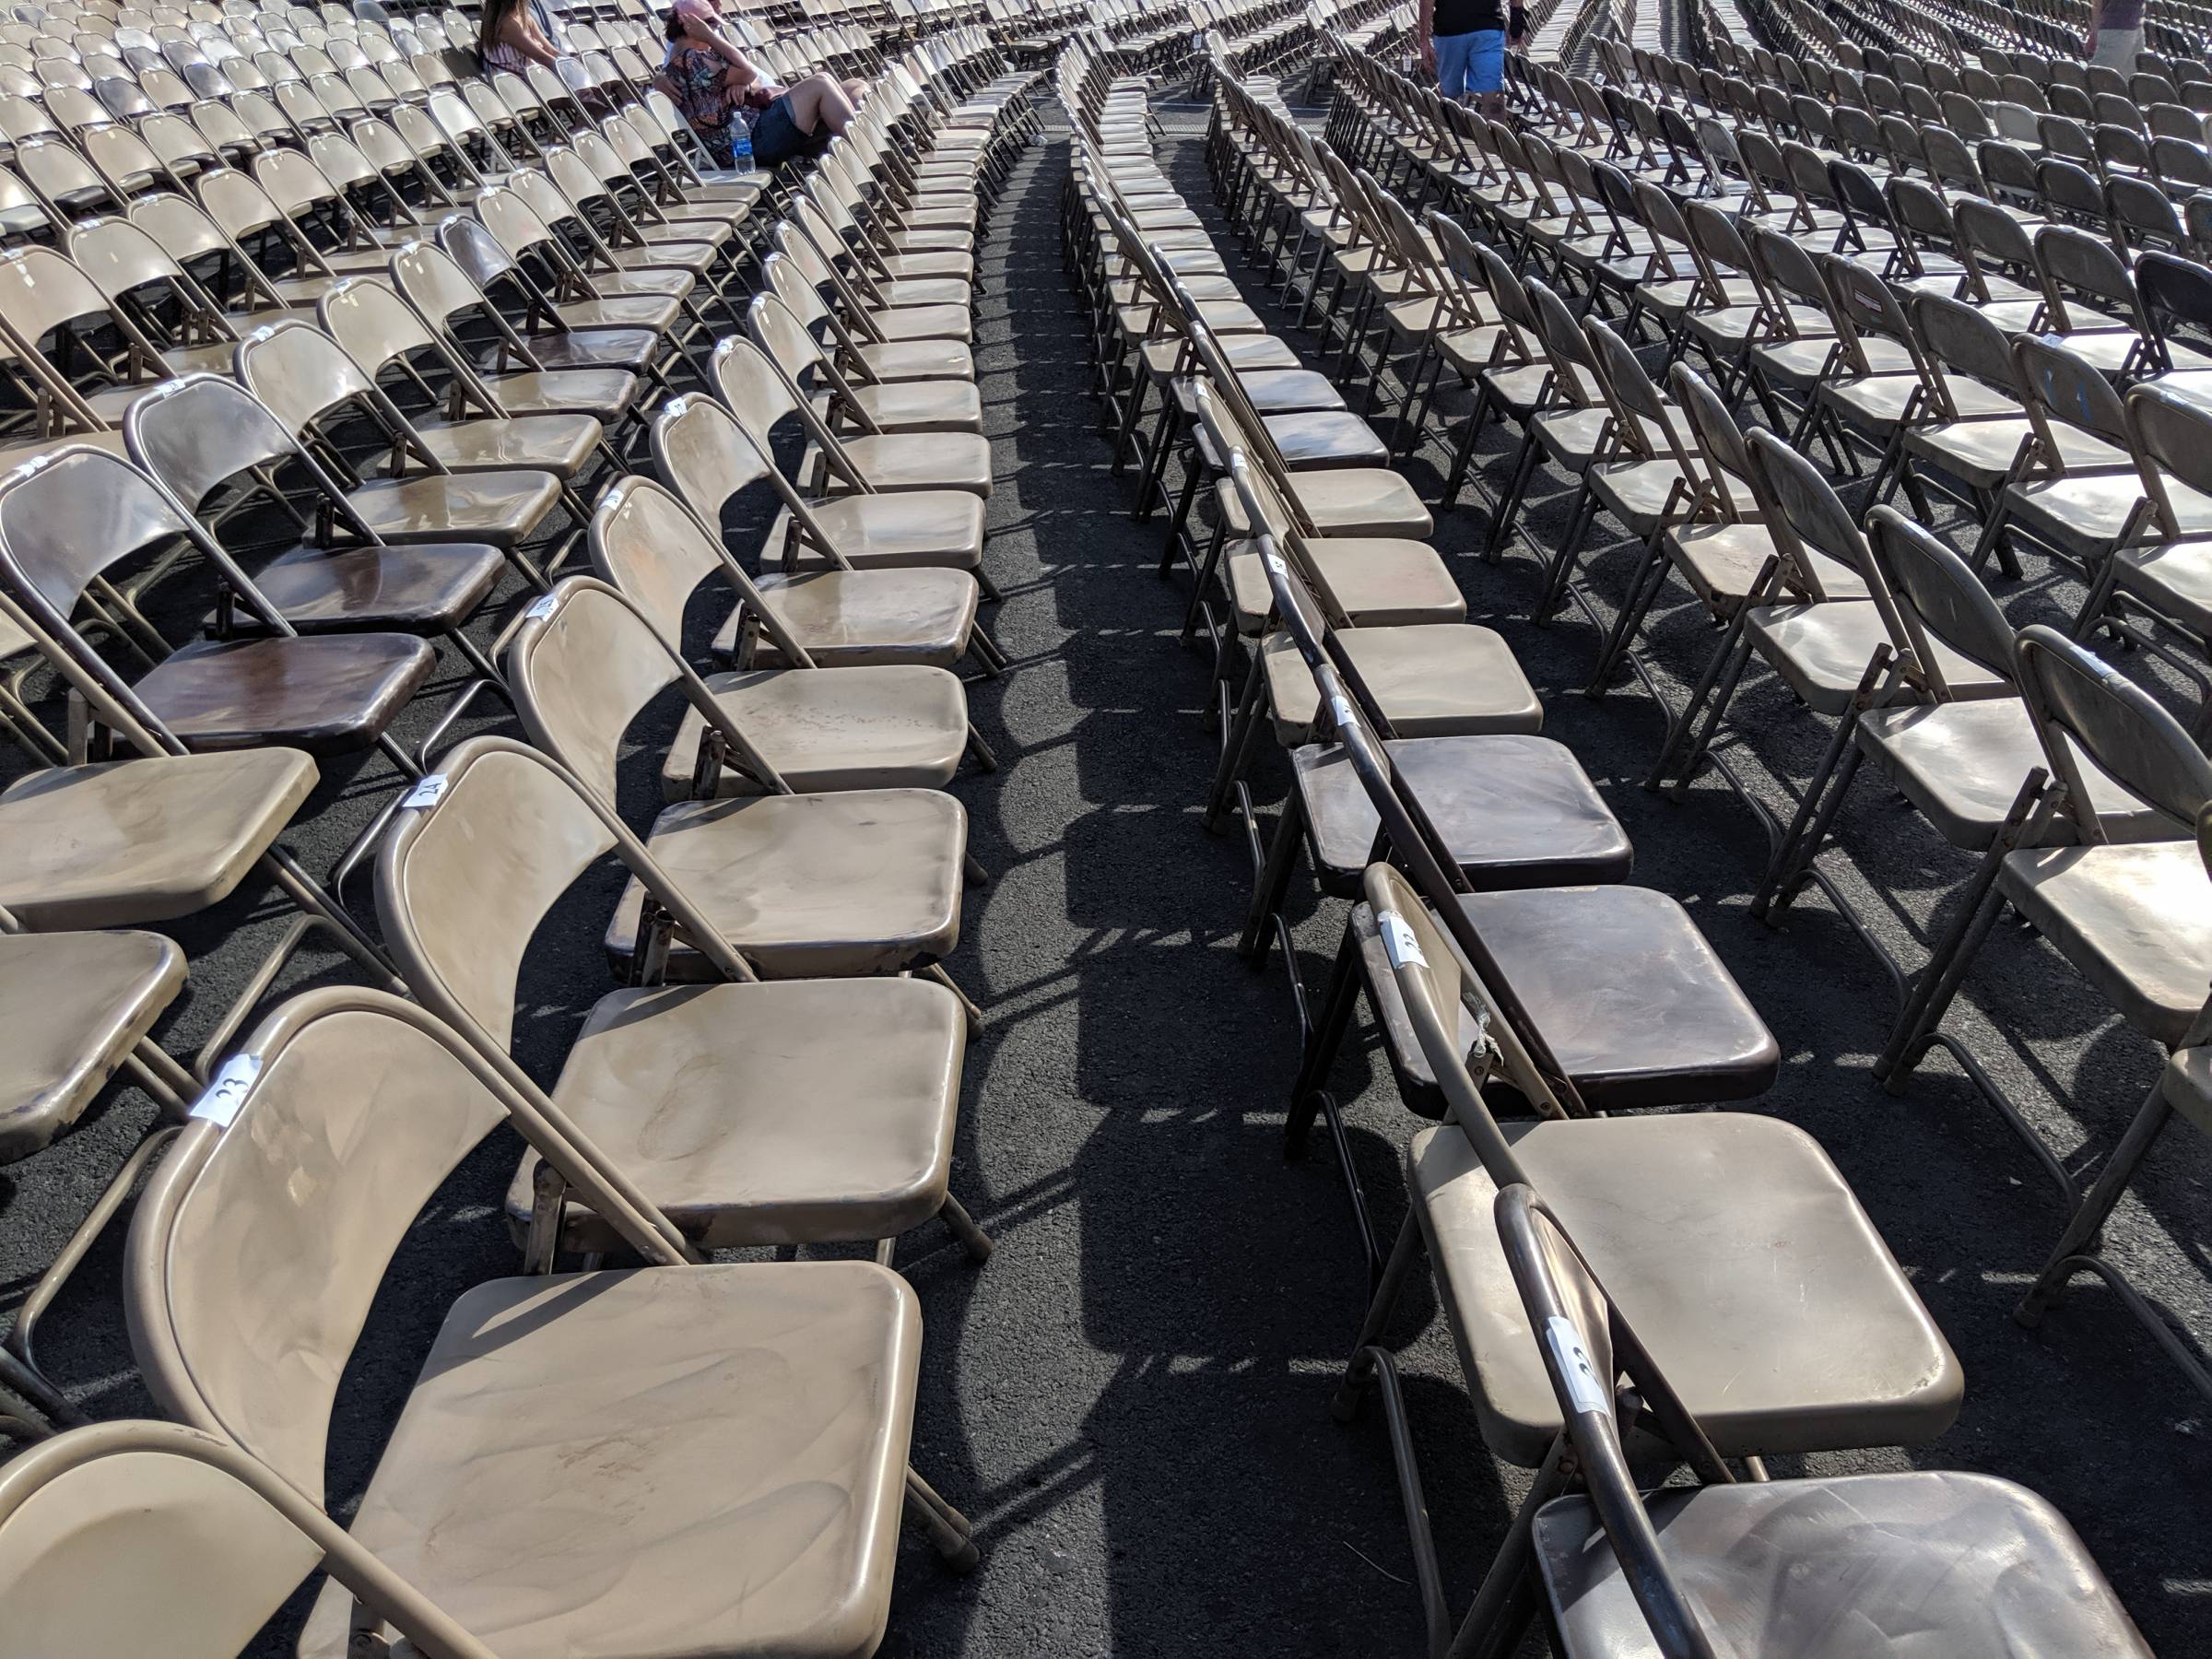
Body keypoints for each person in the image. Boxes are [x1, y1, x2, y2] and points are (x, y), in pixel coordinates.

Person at [654, 0, 868, 171]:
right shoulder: (691, 60)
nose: (715, 27)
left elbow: (748, 77)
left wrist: (743, 84)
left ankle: (874, 149)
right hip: (749, 143)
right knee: (821, 82)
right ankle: (866, 151)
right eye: (710, 23)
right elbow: (748, 71)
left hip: (757, 129)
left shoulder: (698, 56)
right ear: (690, 25)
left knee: (853, 85)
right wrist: (711, 37)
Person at [1417, 0, 1526, 116]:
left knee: (1493, 94)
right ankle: (1459, 130)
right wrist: (1517, 21)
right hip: (1455, 31)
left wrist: (1517, 21)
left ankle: (1496, 132)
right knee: (1451, 95)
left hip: (1482, 29)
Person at [478, 0, 564, 73]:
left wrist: (571, 64)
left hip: (533, 75)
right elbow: (542, 58)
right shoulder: (507, 24)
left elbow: (550, 50)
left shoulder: (525, 16)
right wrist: (567, 71)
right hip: (516, 84)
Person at [2085, 0, 2143, 71]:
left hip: (2133, 28)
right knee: (2100, 76)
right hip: (2118, 31)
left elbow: (2097, 5)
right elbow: (2097, 4)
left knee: (2128, 78)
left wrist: (2095, 32)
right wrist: (2095, 32)